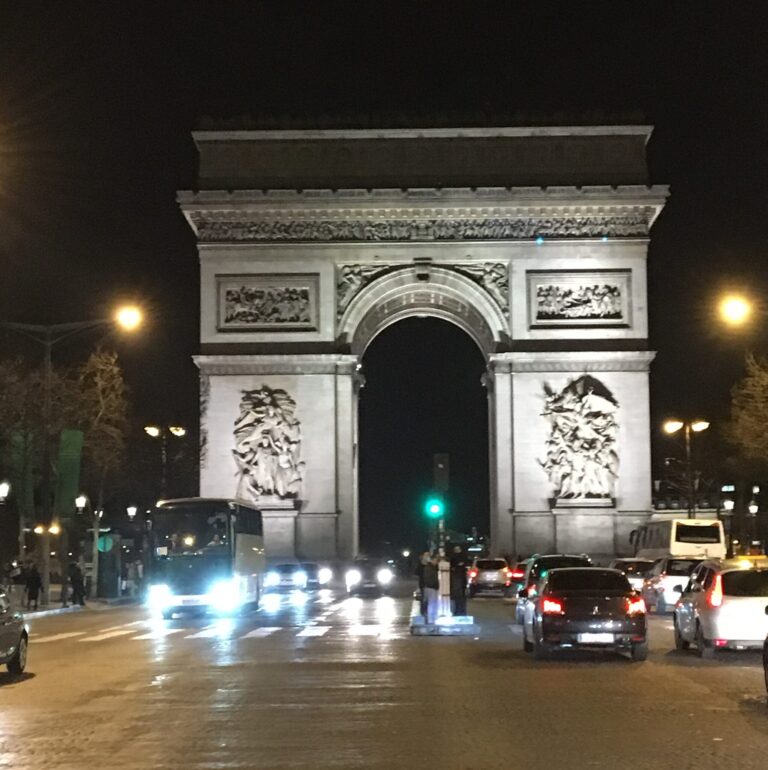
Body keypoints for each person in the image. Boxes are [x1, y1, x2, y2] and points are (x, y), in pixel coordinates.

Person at [449, 545, 469, 616]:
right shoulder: (459, 557)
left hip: (459, 580)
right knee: (460, 598)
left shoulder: (455, 557)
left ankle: (459, 611)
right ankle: (460, 611)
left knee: (459, 598)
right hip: (459, 580)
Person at [422, 552, 440, 624]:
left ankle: (433, 618)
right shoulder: (429, 568)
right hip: (430, 587)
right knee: (431, 604)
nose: (436, 562)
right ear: (432, 560)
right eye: (436, 560)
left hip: (433, 587)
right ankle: (431, 619)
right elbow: (428, 578)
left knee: (434, 604)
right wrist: (434, 584)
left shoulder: (432, 568)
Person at [414, 551, 430, 617]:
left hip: (430, 584)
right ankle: (423, 612)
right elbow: (416, 572)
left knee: (429, 598)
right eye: (425, 555)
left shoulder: (430, 564)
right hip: (423, 583)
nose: (426, 557)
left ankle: (428, 611)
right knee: (424, 598)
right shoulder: (420, 564)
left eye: (428, 555)